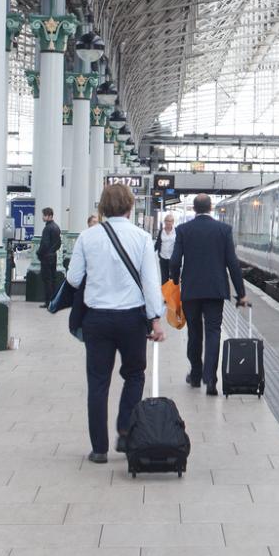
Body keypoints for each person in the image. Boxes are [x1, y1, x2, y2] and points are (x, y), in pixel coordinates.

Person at [62, 183, 167, 464]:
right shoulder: (142, 238)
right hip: (132, 319)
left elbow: (73, 279)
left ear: (102, 208)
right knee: (134, 375)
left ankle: (99, 449)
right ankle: (124, 428)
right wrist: (155, 320)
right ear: (131, 206)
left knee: (98, 383)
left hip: (97, 319)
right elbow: (150, 283)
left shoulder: (87, 237)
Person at [168, 192, 246, 395]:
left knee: (194, 332)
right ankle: (210, 380)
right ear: (210, 208)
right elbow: (233, 264)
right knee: (213, 332)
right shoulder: (223, 230)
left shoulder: (184, 230)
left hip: (191, 291)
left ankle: (195, 374)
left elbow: (175, 260)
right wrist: (241, 293)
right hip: (215, 290)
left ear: (194, 209)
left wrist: (175, 280)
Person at [37, 206, 61, 296]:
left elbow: (45, 244)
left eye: (44, 215)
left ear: (49, 216)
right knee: (53, 278)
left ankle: (48, 300)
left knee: (47, 279)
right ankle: (53, 299)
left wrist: (39, 253)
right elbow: (59, 243)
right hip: (53, 256)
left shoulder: (47, 228)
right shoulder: (56, 227)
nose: (43, 217)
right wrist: (53, 251)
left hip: (46, 257)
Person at [157, 212, 179, 280]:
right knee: (164, 277)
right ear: (164, 221)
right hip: (163, 257)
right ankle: (165, 290)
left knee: (173, 278)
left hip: (173, 258)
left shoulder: (177, 231)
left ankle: (172, 290)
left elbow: (179, 243)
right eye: (167, 221)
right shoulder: (161, 231)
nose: (168, 223)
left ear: (173, 222)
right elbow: (158, 242)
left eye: (170, 221)